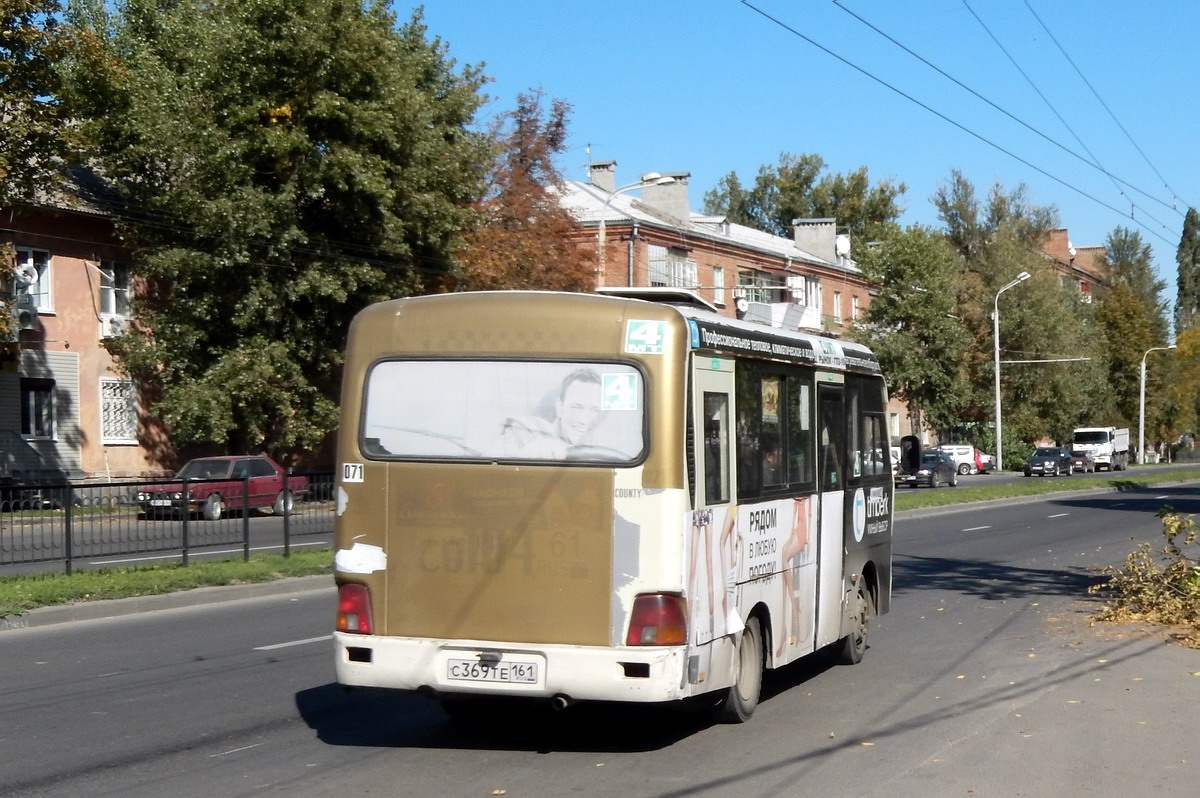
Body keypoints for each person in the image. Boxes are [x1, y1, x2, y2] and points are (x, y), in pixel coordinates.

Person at [498, 367, 604, 458]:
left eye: (594, 409)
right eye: (576, 407)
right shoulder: (523, 433)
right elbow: (489, 473)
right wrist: (524, 456)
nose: (583, 420)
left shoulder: (604, 450)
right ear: (560, 408)